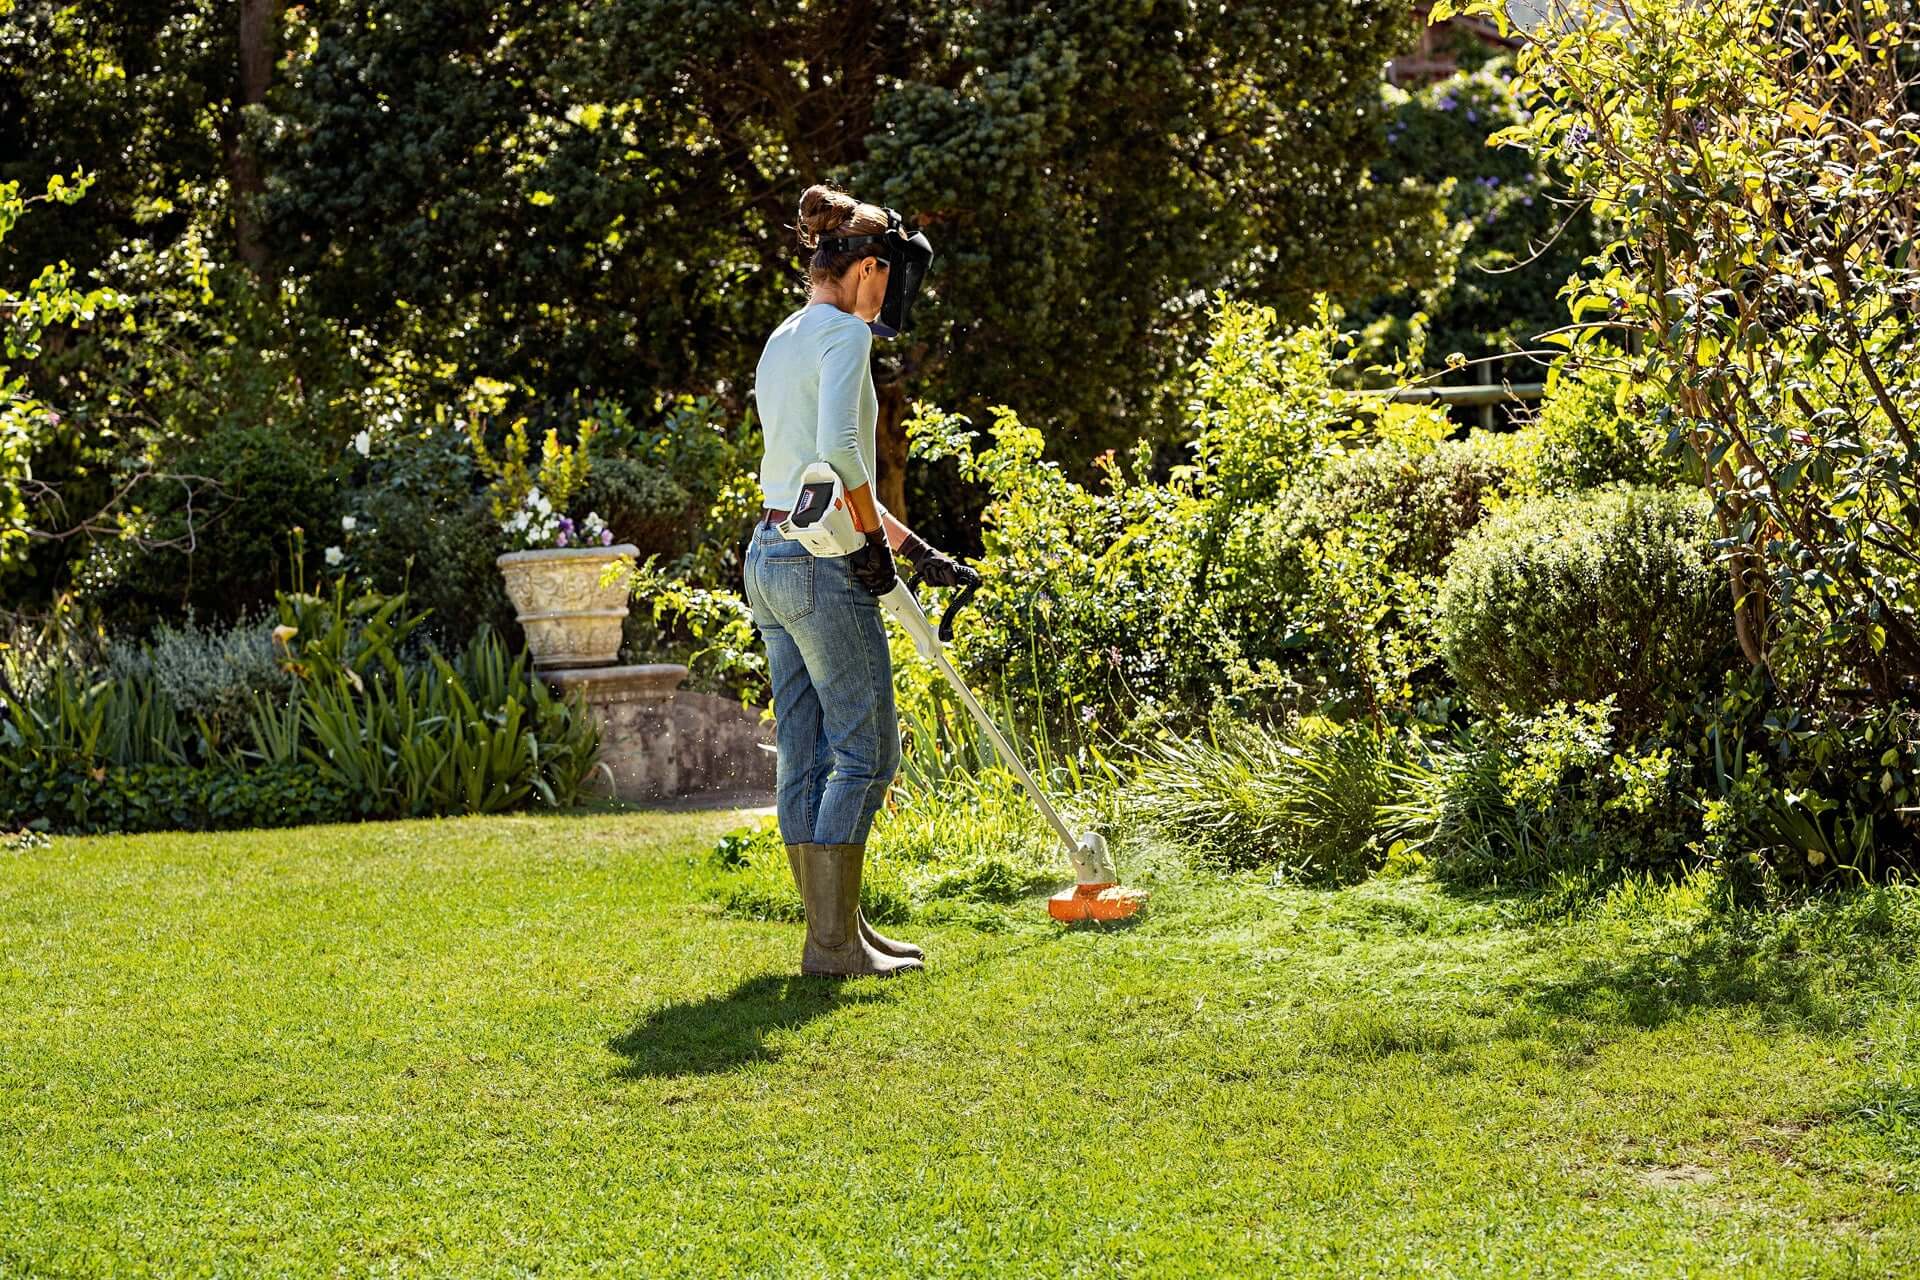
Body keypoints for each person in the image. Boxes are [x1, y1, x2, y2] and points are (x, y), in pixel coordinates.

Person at [745, 184, 977, 978]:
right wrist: (869, 547)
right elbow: (845, 453)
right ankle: (834, 945)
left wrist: (912, 552)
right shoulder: (845, 333)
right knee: (866, 756)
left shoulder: (785, 335)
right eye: (890, 280)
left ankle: (837, 931)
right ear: (871, 268)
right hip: (822, 564)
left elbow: (815, 477)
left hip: (769, 555)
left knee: (804, 756)